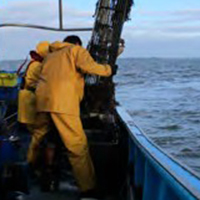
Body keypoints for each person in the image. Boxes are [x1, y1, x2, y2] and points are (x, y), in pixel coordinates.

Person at [27, 35, 117, 196]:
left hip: (42, 102)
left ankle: (29, 168)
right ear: (77, 43)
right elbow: (90, 67)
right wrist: (109, 69)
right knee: (77, 146)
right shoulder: (75, 50)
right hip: (63, 104)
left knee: (38, 136)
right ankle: (88, 188)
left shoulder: (51, 55)